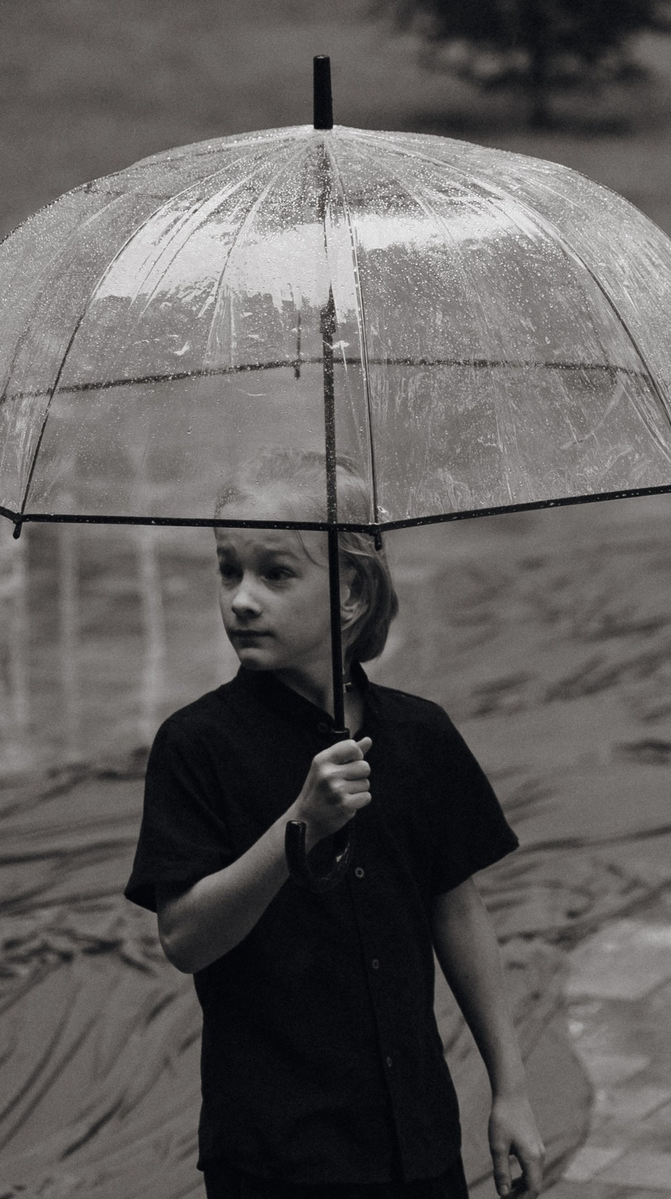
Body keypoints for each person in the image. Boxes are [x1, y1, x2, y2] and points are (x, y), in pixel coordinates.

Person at [125, 458, 544, 1199]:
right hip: (276, 1156)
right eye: (229, 572)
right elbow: (185, 940)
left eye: (275, 574)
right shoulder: (198, 747)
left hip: (414, 1140)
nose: (241, 601)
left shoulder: (420, 735)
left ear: (350, 591)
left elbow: (458, 908)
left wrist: (509, 1087)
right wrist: (300, 826)